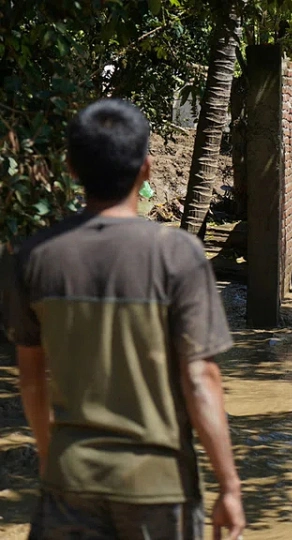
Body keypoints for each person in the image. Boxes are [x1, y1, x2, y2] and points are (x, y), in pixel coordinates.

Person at [4, 99, 245, 539]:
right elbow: (200, 378)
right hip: (158, 486)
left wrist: (50, 459)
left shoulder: (36, 257)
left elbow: (32, 379)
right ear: (147, 170)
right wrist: (229, 486)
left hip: (69, 480)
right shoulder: (177, 256)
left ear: (71, 168)